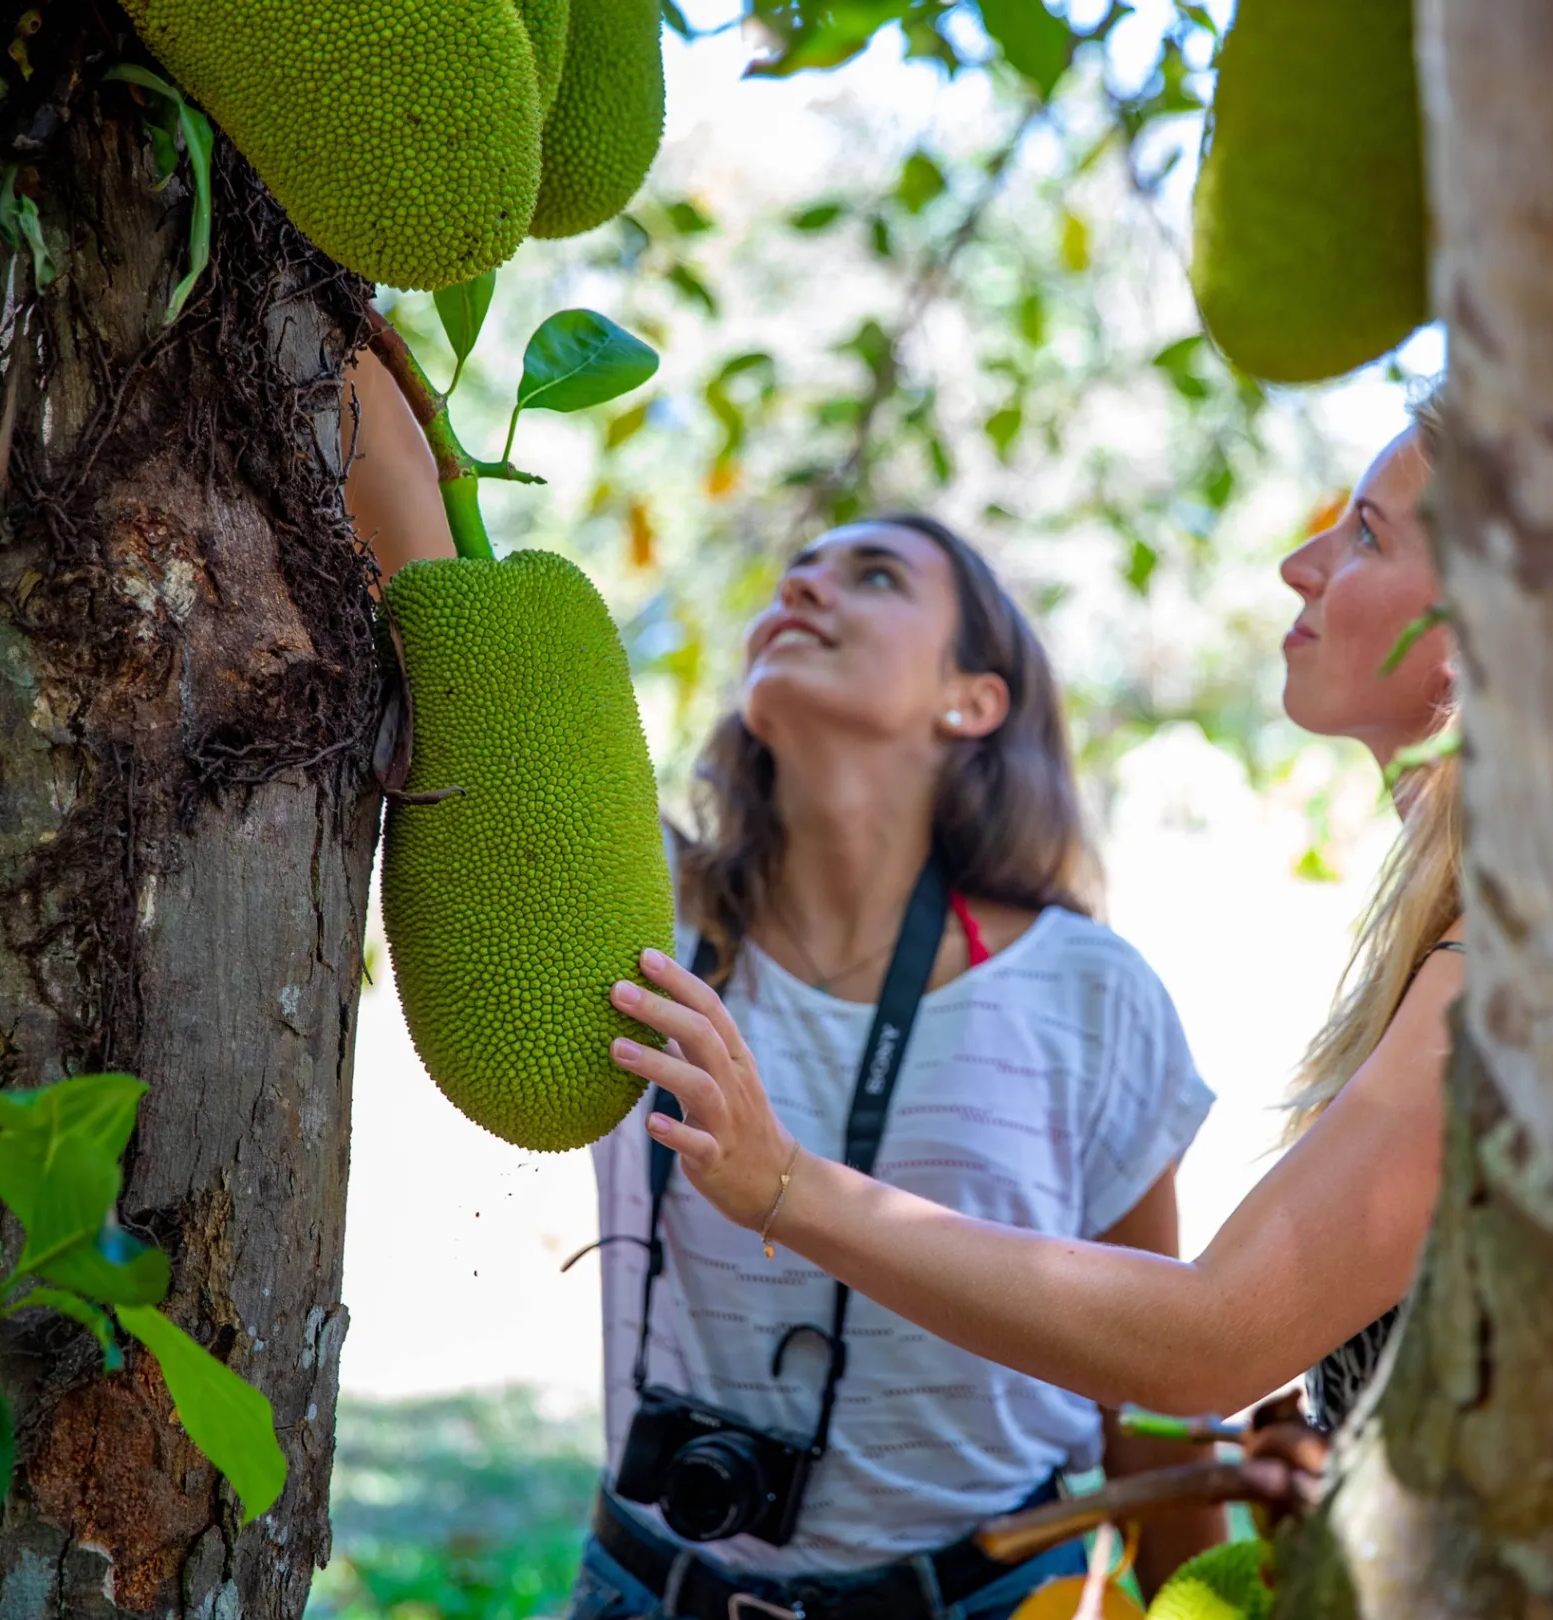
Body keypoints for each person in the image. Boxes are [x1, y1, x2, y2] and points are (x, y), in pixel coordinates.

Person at [335, 383, 1226, 1614]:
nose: (800, 588)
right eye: (793, 574)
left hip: (989, 1600)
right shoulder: (640, 917)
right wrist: (347, 307)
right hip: (648, 1587)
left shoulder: (1086, 993)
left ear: (973, 699)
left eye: (871, 578)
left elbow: (1157, 1388)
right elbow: (417, 547)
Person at [602, 403, 1462, 1444]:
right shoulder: (638, 900)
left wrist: (784, 1185)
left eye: (1366, 532)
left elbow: (1201, 1340)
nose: (1297, 563)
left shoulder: (1510, 972)